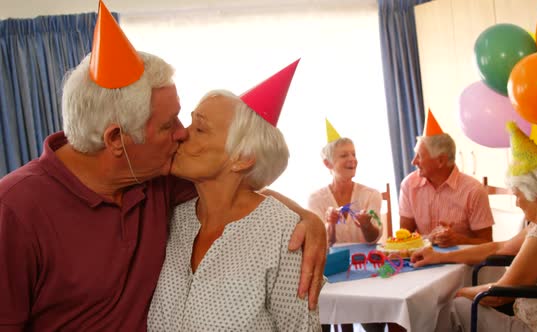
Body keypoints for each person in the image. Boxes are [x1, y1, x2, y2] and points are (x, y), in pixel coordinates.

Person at [0, 3, 326, 330]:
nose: (182, 133)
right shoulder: (14, 211)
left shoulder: (158, 178)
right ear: (116, 139)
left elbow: (237, 195)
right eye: (170, 124)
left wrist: (309, 220)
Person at [148, 60, 320, 331]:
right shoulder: (172, 218)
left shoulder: (282, 233)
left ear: (242, 158)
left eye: (200, 129)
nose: (181, 133)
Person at [413, 122, 537, 331]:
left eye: (518, 195)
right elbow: (498, 248)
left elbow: (497, 296)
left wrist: (459, 292)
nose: (517, 202)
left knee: (456, 305)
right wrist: (439, 256)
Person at [398, 111, 493, 247]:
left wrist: (459, 240)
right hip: (422, 262)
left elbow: (487, 243)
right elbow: (404, 236)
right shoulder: (409, 185)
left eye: (419, 156)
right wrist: (428, 239)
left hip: (463, 264)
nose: (413, 162)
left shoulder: (473, 191)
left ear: (440, 160)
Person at [308, 120, 382, 248]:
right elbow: (322, 243)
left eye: (353, 154)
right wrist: (331, 224)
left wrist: (366, 225)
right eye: (344, 155)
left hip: (365, 261)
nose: (352, 159)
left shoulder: (372, 195)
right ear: (327, 163)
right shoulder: (316, 199)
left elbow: (373, 240)